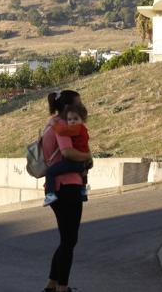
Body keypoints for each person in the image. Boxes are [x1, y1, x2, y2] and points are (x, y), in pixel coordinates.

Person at [42, 90, 91, 292]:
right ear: (68, 107)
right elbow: (67, 152)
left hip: (58, 187)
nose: (80, 107)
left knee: (66, 240)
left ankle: (52, 284)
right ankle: (62, 286)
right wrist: (87, 156)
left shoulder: (50, 124)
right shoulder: (62, 127)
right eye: (77, 104)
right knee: (69, 241)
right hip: (67, 186)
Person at [43, 103, 91, 206]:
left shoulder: (77, 129)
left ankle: (50, 194)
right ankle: (83, 191)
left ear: (82, 120)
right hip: (82, 162)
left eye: (75, 119)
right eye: (69, 119)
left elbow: (61, 131)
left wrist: (52, 123)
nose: (72, 121)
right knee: (83, 172)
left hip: (73, 161)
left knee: (50, 172)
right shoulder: (83, 129)